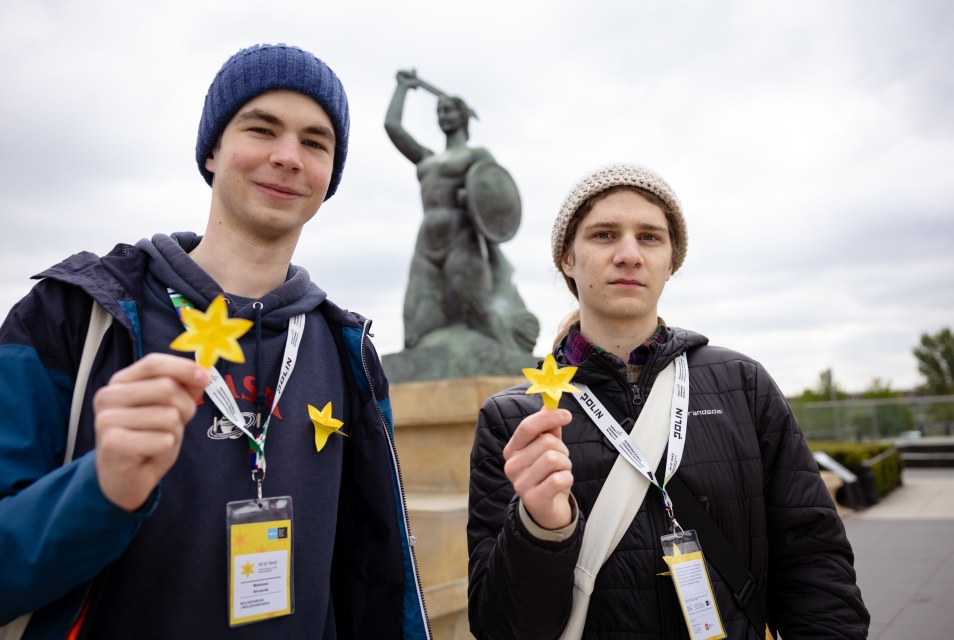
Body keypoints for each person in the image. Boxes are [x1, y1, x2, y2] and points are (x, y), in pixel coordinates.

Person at [0, 44, 428, 639]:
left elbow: (373, 571)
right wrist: (99, 491)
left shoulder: (346, 348)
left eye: (315, 142)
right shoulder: (72, 316)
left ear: (330, 177)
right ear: (211, 150)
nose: (288, 157)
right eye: (261, 128)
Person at [467, 163, 870, 639]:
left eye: (650, 237)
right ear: (567, 259)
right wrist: (540, 529)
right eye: (603, 234)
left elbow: (814, 560)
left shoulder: (743, 384)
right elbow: (501, 627)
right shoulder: (515, 417)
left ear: (672, 260)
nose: (629, 254)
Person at [384, 70, 538, 352]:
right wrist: (403, 87)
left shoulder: (475, 154)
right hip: (427, 243)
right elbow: (392, 126)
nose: (442, 115)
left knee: (479, 313)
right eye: (439, 111)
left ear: (462, 116)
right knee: (414, 329)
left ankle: (513, 358)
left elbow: (497, 196)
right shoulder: (426, 158)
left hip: (462, 240)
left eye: (449, 110)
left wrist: (474, 197)